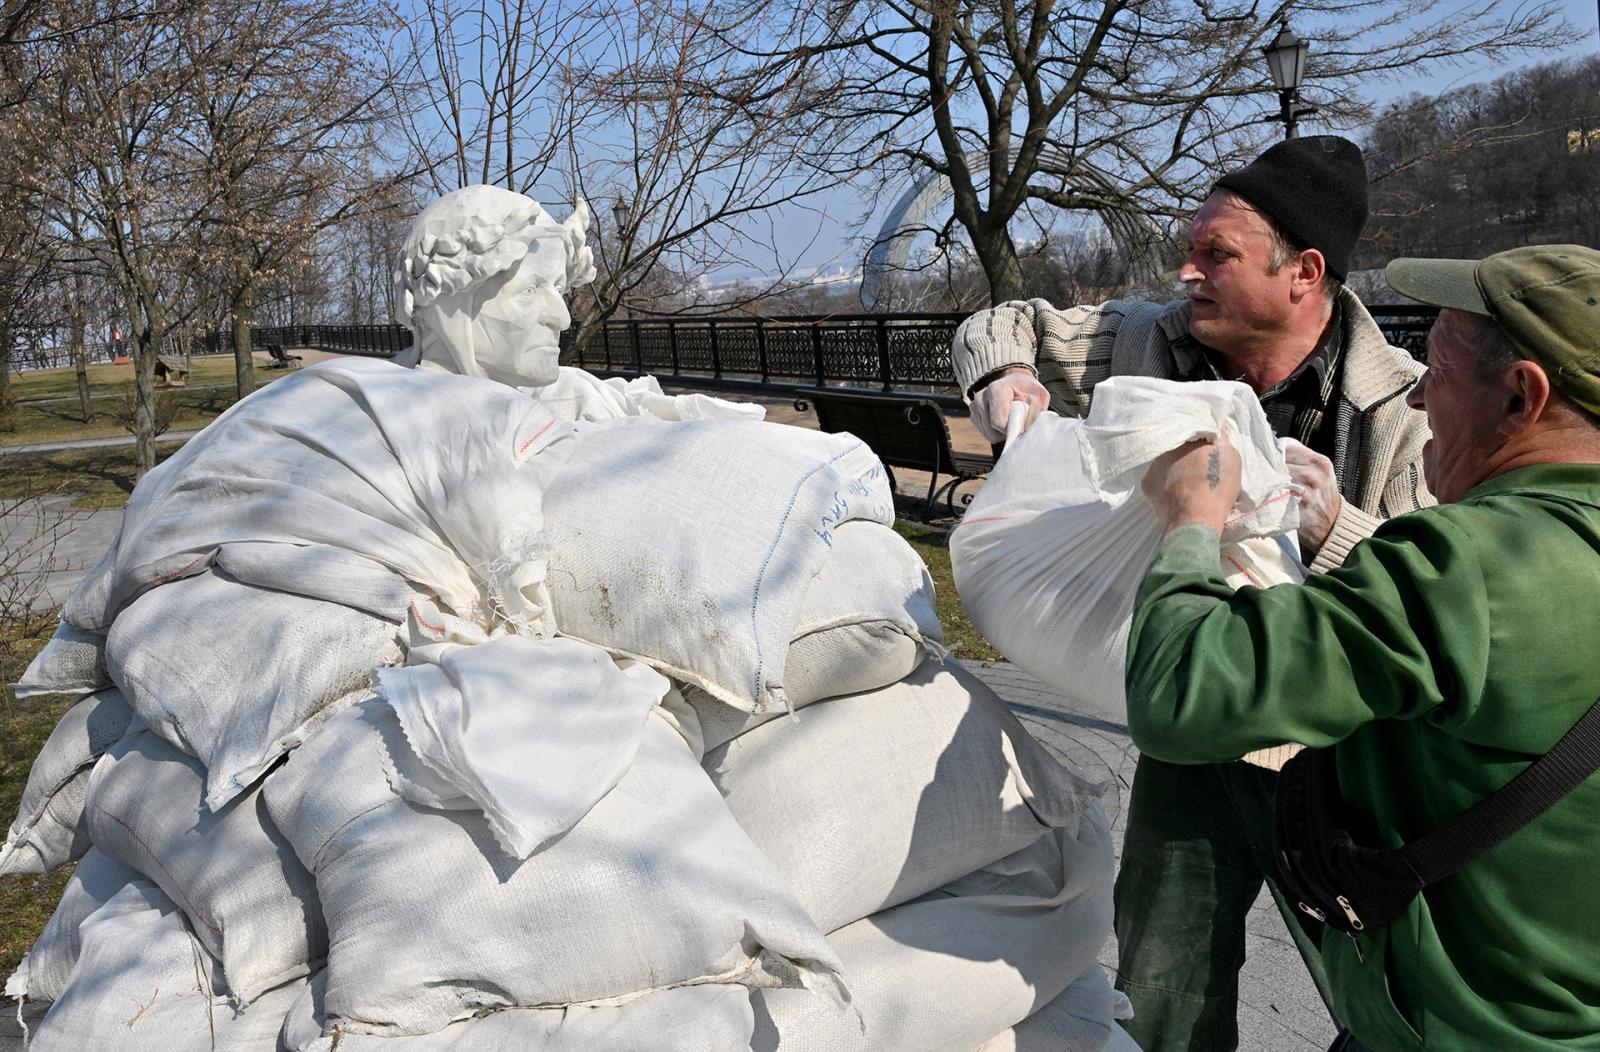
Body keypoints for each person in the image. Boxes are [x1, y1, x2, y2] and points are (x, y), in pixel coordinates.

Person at [949, 135, 1433, 1049]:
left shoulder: (1404, 405)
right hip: (1192, 712)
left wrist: (1335, 530)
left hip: (1339, 749)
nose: (1187, 270)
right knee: (1165, 976)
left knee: (1377, 988)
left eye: (1217, 254)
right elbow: (997, 324)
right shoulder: (1147, 337)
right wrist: (1000, 376)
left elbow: (1433, 588)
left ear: (1305, 273)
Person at [1127, 243, 1600, 1049]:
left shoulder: (1469, 565)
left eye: (1440, 368)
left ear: (1522, 397)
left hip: (1460, 1028)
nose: (1417, 392)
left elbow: (1178, 692)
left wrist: (1190, 521)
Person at [392, 184, 596, 387]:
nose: (563, 319)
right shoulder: (406, 412)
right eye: (529, 290)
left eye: (559, 290)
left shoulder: (576, 394)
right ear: (446, 308)